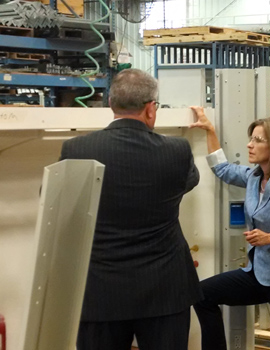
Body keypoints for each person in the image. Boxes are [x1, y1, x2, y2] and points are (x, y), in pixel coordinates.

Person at [60, 69, 203, 350]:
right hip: (165, 289)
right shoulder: (177, 151)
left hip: (100, 289)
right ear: (151, 109)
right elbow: (188, 182)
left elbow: (56, 202)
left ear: (111, 102)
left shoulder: (76, 150)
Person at [189, 106, 270, 350]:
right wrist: (210, 129)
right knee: (203, 295)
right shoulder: (254, 177)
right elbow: (223, 169)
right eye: (251, 139)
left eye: (258, 140)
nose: (250, 145)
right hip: (259, 273)